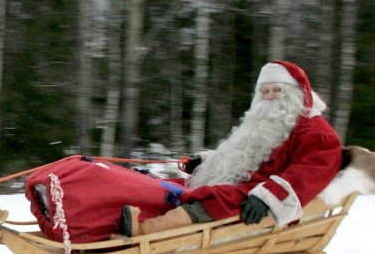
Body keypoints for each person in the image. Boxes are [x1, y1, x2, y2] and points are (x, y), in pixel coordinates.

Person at [121, 61, 343, 236]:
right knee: (167, 187)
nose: (269, 97)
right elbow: (243, 155)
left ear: (295, 93)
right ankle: (120, 216)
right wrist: (207, 161)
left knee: (214, 198)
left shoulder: (316, 132)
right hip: (239, 182)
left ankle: (145, 231)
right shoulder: (265, 122)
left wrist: (266, 198)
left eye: (277, 90)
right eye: (264, 92)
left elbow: (308, 174)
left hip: (256, 192)